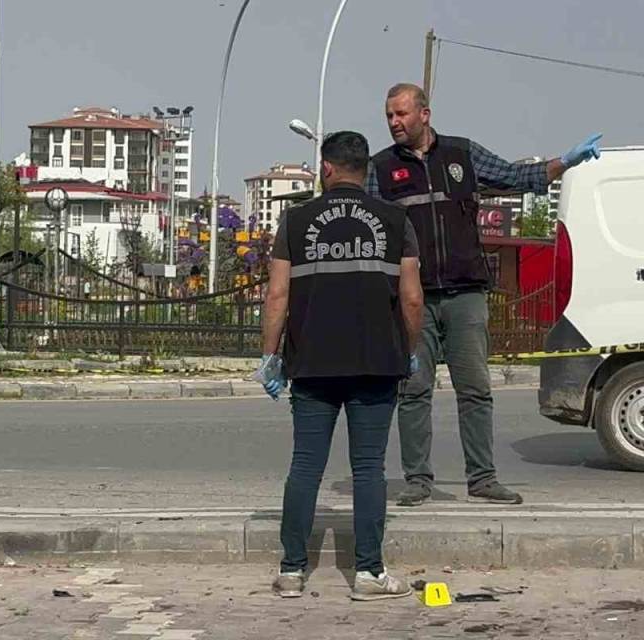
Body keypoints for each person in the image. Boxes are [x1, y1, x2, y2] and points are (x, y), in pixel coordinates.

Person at [368, 83, 602, 507]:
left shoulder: (462, 154)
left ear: (424, 114)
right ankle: (418, 481)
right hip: (413, 300)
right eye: (389, 116)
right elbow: (366, 228)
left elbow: (516, 177)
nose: (394, 123)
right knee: (414, 391)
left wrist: (565, 161)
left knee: (475, 390)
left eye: (401, 114)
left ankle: (482, 478)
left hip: (466, 296)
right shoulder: (380, 168)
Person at [255, 131, 424, 600]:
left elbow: (277, 295)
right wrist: (408, 350)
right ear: (365, 170)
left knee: (306, 466)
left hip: (312, 363)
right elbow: (412, 298)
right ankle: (369, 574)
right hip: (377, 362)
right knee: (369, 468)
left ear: (326, 168)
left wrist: (269, 356)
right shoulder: (396, 220)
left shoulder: (295, 221)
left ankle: (292, 571)